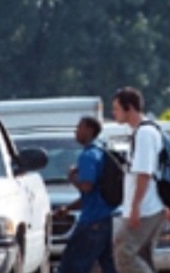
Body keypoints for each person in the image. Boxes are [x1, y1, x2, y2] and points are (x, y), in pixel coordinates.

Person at [111, 87, 165, 273]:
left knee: (124, 253)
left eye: (117, 108)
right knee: (142, 256)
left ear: (130, 108)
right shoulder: (141, 132)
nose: (114, 113)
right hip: (147, 207)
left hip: (146, 208)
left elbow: (144, 174)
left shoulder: (144, 133)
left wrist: (135, 207)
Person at [56, 117, 118, 273]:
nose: (75, 132)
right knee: (108, 265)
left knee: (72, 266)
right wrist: (69, 208)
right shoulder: (102, 151)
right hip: (104, 219)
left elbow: (87, 187)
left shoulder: (88, 155)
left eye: (79, 128)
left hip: (91, 222)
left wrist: (72, 178)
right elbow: (91, 196)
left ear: (89, 130)